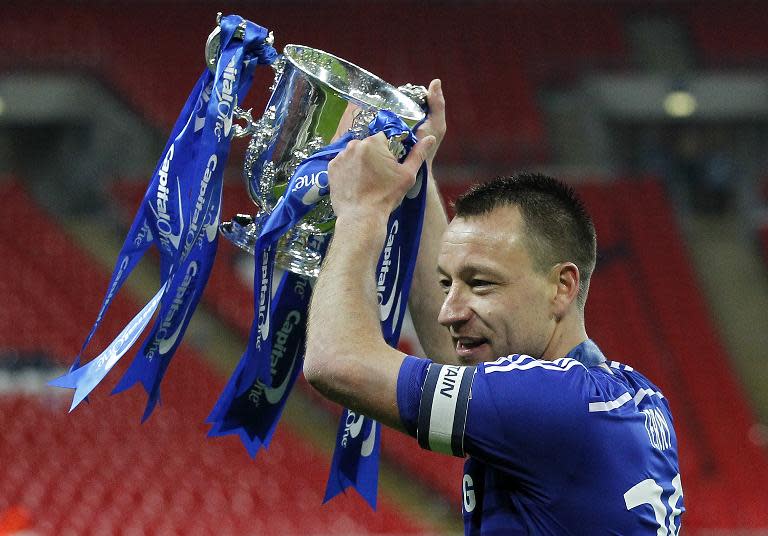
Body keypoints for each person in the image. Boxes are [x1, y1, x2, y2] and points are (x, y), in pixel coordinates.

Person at [304, 80, 684, 534]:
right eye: (449, 283)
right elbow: (454, 361)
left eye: (481, 283)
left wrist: (360, 212)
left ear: (562, 287)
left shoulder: (547, 403)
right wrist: (415, 168)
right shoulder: (633, 395)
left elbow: (335, 362)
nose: (448, 311)